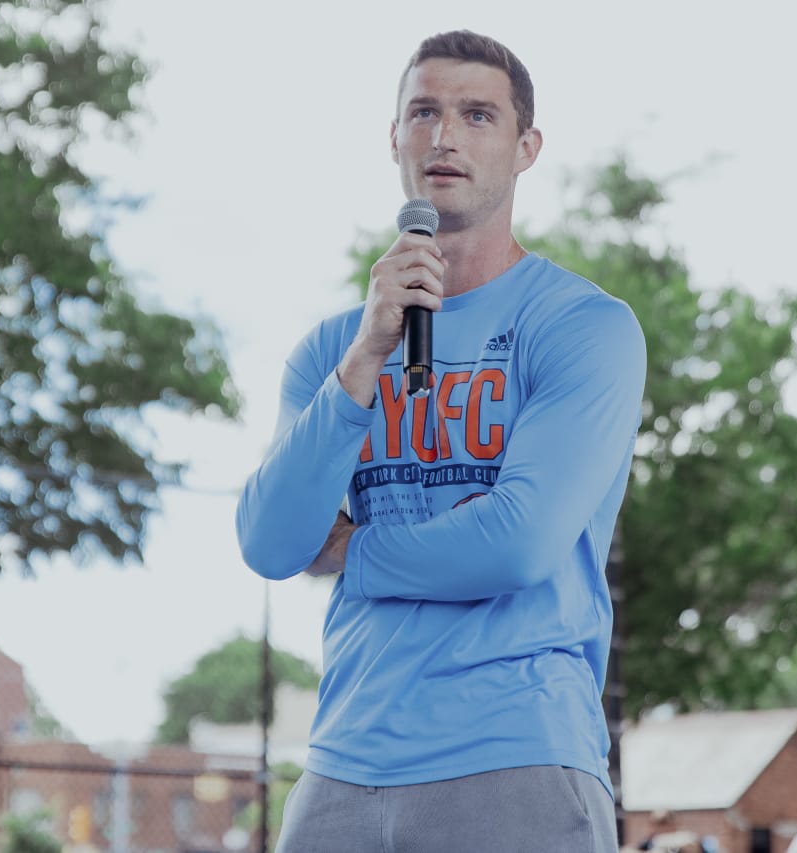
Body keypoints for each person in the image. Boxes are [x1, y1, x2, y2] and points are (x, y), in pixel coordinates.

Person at [235, 29, 646, 853]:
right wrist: (364, 362)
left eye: (477, 114)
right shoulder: (332, 351)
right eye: (423, 111)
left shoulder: (583, 327)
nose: (444, 135)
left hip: (516, 756)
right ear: (394, 138)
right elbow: (272, 541)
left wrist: (352, 549)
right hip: (344, 762)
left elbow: (516, 542)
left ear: (526, 148)